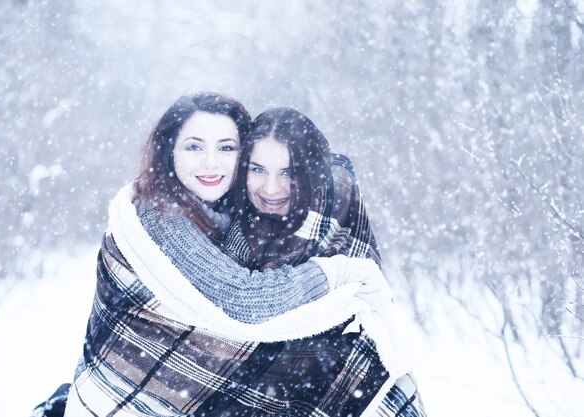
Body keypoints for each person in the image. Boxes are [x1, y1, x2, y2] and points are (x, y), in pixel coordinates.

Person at [33, 92, 379, 417]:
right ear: (169, 152)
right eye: (194, 147)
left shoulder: (224, 217)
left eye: (226, 148)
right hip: (132, 399)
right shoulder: (162, 214)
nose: (211, 163)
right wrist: (334, 274)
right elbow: (244, 298)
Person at [216, 107, 427, 416]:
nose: (271, 188)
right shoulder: (224, 230)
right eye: (258, 169)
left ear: (311, 173)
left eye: (288, 172)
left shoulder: (336, 209)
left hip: (348, 387)